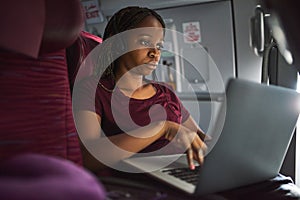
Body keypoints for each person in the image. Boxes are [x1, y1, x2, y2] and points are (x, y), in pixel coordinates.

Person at [73, 6, 207, 173]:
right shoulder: (92, 90)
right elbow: (87, 157)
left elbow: (200, 138)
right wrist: (162, 128)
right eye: (145, 42)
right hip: (136, 183)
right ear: (118, 44)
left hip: (182, 172)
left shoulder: (165, 92)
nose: (155, 53)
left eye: (159, 45)